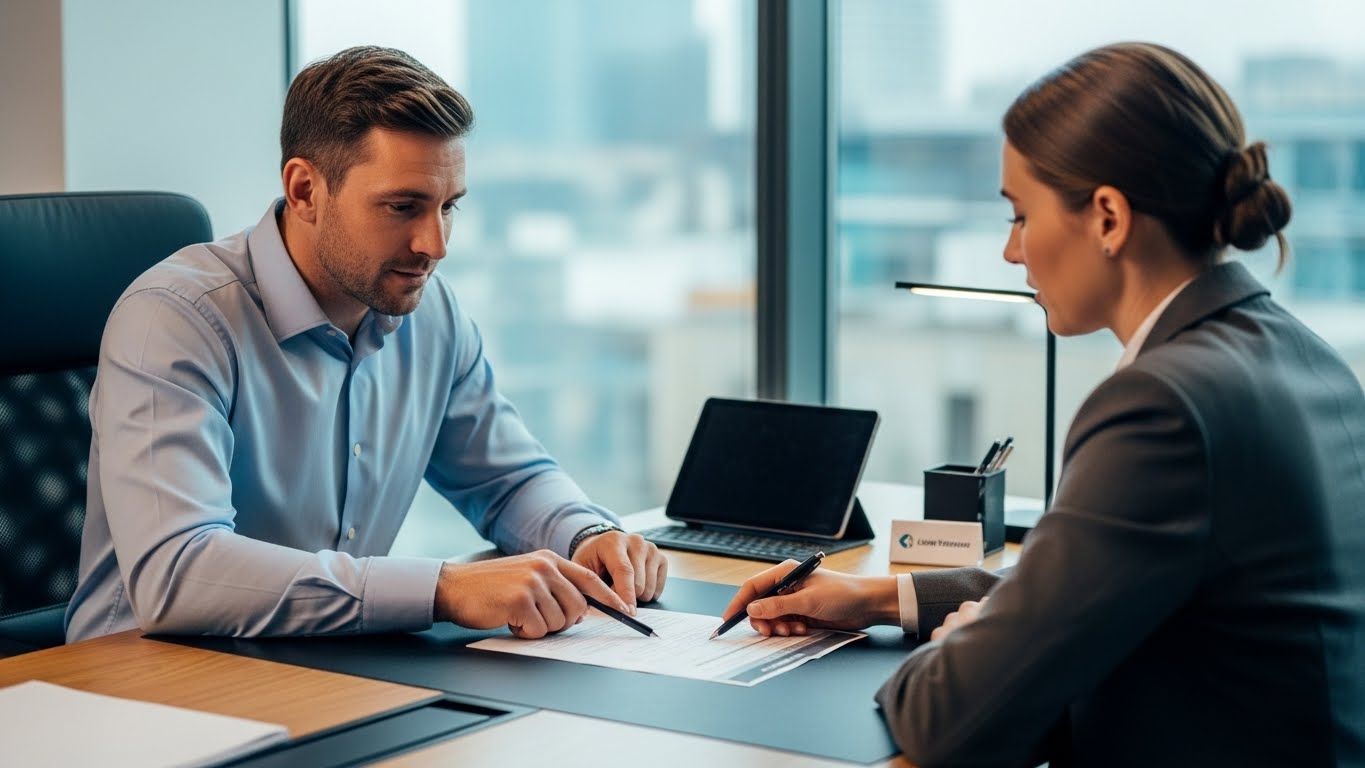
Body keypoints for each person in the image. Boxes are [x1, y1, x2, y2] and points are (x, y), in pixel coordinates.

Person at [722, 42, 1365, 767]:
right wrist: (879, 599)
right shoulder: (1304, 358)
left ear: (1107, 218)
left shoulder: (1161, 405)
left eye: (1019, 216)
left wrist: (961, 641)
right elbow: (1088, 583)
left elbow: (945, 719)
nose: (1011, 252)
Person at [65, 46, 667, 644]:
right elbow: (179, 573)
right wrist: (445, 589)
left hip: (327, 668)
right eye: (402, 207)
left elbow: (507, 481)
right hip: (144, 690)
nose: (435, 244)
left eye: (448, 207)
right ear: (304, 190)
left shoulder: (432, 314)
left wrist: (586, 536)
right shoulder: (177, 320)